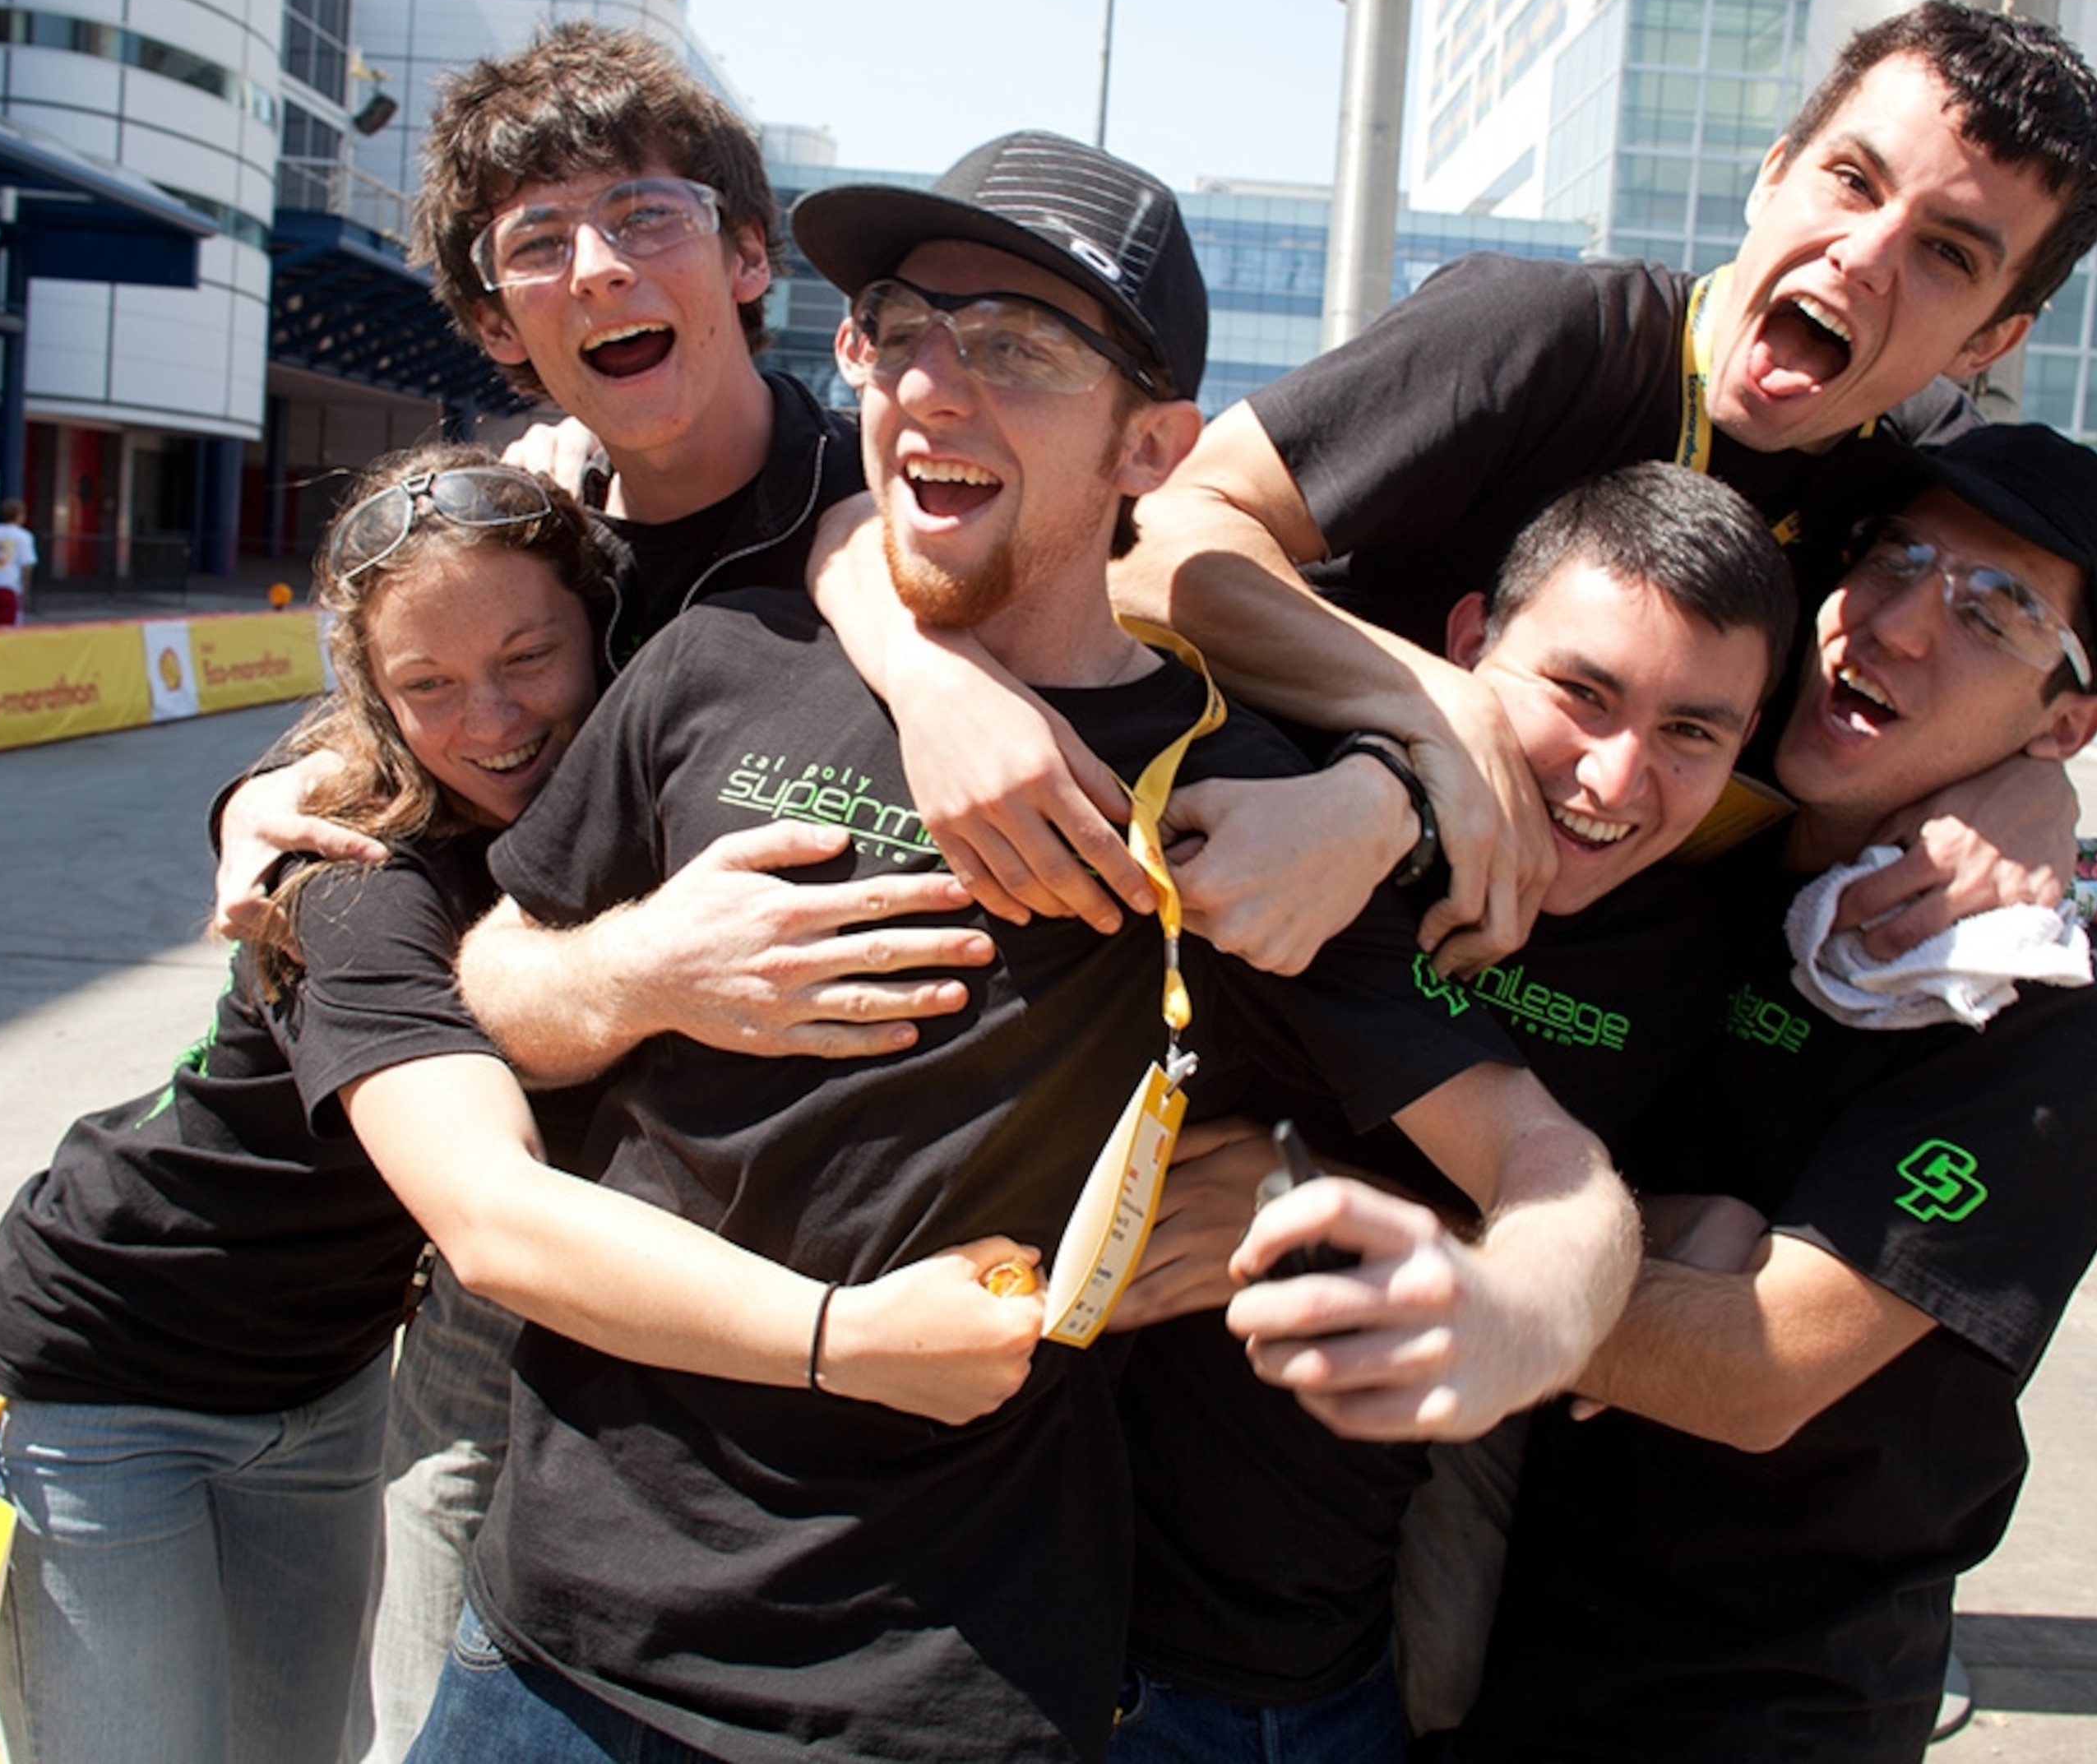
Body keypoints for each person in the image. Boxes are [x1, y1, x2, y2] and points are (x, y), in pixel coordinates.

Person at [410, 132, 1638, 1764]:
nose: (931, 383)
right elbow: (496, 979)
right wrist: (640, 968)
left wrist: (1513, 1318)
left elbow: (1555, 1169)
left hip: (928, 1691)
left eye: (1015, 347)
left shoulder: (1239, 806)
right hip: (549, 1638)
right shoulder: (728, 644)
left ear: (1153, 443)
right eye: (900, 326)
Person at [209, 24, 999, 1762]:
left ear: (745, 256)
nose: (600, 266)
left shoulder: (918, 514)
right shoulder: (549, 545)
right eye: (537, 245)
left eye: (644, 213)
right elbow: (386, 711)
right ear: (498, 327)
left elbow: (1182, 551)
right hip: (526, 1295)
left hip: (888, 1331)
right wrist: (264, 790)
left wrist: (1379, 743)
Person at [829, 0, 2097, 977]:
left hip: (1581, 1046)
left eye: (1949, 254)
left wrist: (2036, 793)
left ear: (1991, 340)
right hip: (1255, 943)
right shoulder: (1548, 333)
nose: (1866, 254)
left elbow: (2020, 663)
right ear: (1774, 166)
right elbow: (1157, 537)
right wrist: (1435, 726)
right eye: (1852, 178)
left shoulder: (1916, 496)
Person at [1234, 424, 2097, 1762]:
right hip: (1484, 1640)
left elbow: (1756, 1366)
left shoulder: (2049, 1016)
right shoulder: (1709, 849)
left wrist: (1301, 1226)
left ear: (2068, 721)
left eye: (1993, 608)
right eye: (1894, 559)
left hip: (1748, 1697)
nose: (1901, 623)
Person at [0, 446, 615, 1764]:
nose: (492, 718)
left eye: (529, 657)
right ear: (371, 694)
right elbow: (491, 1209)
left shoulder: (615, 803)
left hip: (323, 1389)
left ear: (603, 628)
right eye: (428, 685)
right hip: (89, 1382)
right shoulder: (349, 869)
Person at [1108, 462, 1799, 1762]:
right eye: (1579, 693)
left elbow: (1598, 1177)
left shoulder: (1695, 953)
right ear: (1469, 641)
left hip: (1340, 1673)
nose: (1616, 772)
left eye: (1694, 731)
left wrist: (1683, 1222)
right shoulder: (1289, 795)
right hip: (1070, 1644)